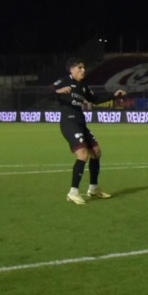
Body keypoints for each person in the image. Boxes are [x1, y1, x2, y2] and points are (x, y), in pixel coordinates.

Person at [52, 58, 127, 204]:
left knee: (96, 152)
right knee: (83, 154)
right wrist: (57, 90)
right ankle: (73, 192)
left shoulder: (83, 86)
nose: (83, 70)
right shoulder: (64, 81)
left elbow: (96, 100)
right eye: (80, 68)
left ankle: (93, 189)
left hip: (81, 123)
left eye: (84, 67)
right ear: (72, 70)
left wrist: (114, 95)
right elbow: (45, 90)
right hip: (69, 122)